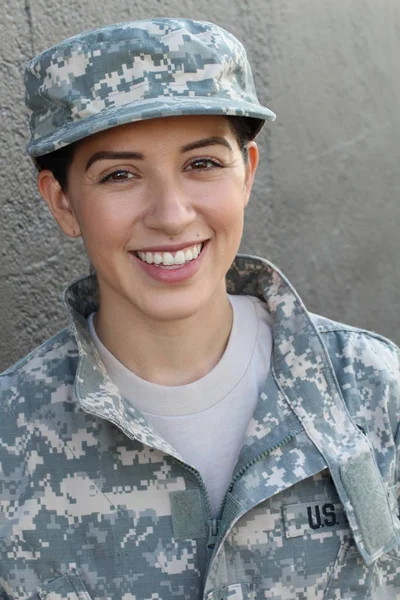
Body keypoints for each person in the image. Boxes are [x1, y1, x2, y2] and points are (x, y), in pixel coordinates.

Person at [0, 17, 399, 600]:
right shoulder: (12, 438)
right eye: (120, 175)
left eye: (203, 164)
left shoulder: (373, 391)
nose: (171, 214)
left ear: (248, 174)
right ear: (63, 203)